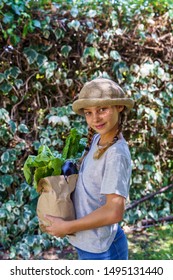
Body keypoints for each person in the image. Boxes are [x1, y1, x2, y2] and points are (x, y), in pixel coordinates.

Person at [45, 77, 134, 260]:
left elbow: (114, 211)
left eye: (102, 109)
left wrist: (67, 227)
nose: (95, 118)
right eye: (88, 112)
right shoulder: (98, 140)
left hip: (100, 249)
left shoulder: (115, 154)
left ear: (119, 107)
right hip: (89, 240)